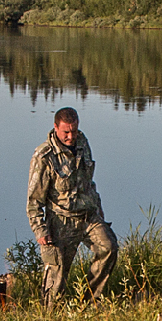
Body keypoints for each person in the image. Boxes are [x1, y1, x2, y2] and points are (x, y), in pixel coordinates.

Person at [26, 106, 117, 302]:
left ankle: (88, 302)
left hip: (88, 216)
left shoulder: (82, 143)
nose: (70, 136)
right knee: (56, 277)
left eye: (74, 131)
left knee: (109, 248)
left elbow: (88, 180)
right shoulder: (44, 156)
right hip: (62, 220)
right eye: (66, 132)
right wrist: (40, 230)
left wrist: (97, 205)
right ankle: (50, 319)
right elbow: (33, 200)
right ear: (55, 127)